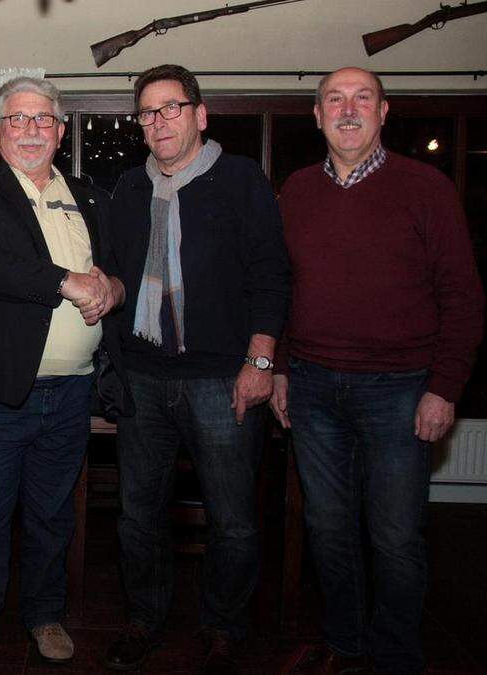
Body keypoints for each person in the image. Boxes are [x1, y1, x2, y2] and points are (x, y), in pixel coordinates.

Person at [275, 67, 484, 675]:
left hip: (400, 390)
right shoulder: (297, 190)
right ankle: (344, 643)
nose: (347, 109)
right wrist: (283, 368)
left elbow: (463, 298)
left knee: (395, 537)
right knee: (328, 529)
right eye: (333, 100)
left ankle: (395, 655)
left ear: (383, 112)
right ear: (316, 117)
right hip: (312, 386)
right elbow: (284, 289)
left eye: (361, 98)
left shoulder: (426, 188)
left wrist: (444, 388)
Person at [103, 64, 290, 674]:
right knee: (138, 517)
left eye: (171, 108)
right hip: (145, 379)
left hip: (222, 380)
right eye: (148, 112)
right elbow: (121, 276)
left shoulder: (240, 180)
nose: (159, 121)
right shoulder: (129, 189)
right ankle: (143, 619)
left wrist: (260, 361)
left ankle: (222, 626)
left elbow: (271, 275)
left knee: (232, 519)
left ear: (200, 115)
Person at [0, 77, 123, 671]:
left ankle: (44, 615)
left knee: (51, 515)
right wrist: (65, 282)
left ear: (61, 131)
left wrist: (111, 289)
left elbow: (115, 270)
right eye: (16, 120)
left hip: (72, 391)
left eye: (42, 119)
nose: (30, 130)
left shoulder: (90, 194)